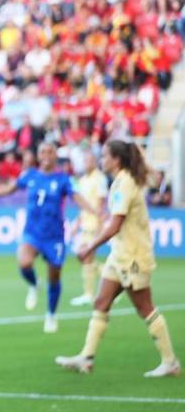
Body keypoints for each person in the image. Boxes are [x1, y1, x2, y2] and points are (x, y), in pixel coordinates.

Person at [56, 140, 180, 377]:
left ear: (117, 159)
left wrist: (90, 246)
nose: (102, 159)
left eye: (105, 155)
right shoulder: (121, 181)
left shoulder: (125, 184)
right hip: (119, 255)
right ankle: (86, 357)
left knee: (145, 307)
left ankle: (170, 362)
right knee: (101, 302)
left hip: (133, 257)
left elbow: (115, 224)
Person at [0, 143, 95, 333]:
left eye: (50, 152)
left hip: (54, 236)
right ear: (38, 156)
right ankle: (33, 284)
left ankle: (51, 314)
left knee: (54, 276)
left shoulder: (64, 179)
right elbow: (9, 189)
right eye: (42, 152)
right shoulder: (29, 175)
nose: (46, 155)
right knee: (24, 262)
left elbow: (77, 197)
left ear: (56, 156)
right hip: (32, 232)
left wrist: (94, 212)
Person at [69, 150, 109, 307]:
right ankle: (114, 277)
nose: (87, 163)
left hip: (94, 224)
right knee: (84, 257)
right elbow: (82, 205)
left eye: (90, 160)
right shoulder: (83, 180)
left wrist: (100, 226)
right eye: (85, 161)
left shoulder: (100, 179)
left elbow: (101, 203)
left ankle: (88, 294)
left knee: (85, 256)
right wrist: (77, 224)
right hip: (85, 223)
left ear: (95, 162)